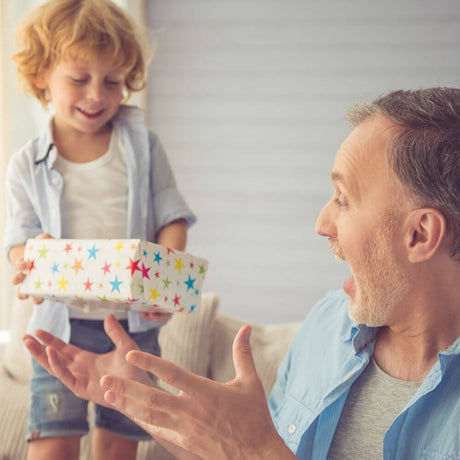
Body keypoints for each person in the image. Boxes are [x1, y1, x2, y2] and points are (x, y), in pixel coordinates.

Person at [24, 87, 460, 459]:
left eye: (343, 199)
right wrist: (143, 399)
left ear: (420, 234)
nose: (322, 223)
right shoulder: (328, 327)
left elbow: (256, 451)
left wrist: (259, 451)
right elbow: (239, 448)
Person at [6, 1, 196, 459]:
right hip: (58, 327)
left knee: (117, 448)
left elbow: (172, 218)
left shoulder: (144, 147)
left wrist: (163, 287)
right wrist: (28, 259)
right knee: (51, 443)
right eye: (78, 79)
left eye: (112, 81)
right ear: (41, 77)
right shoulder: (25, 165)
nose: (96, 95)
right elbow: (18, 241)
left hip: (131, 329)